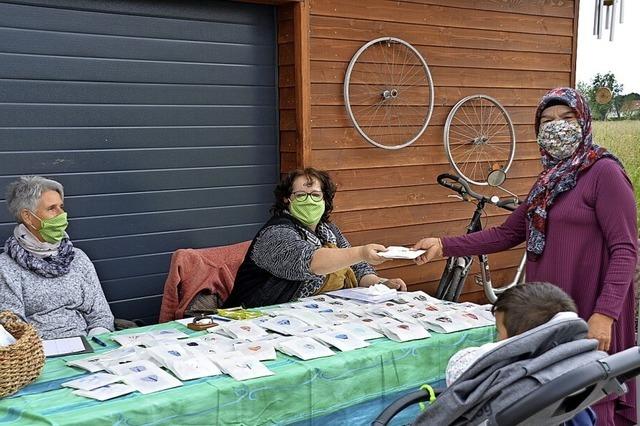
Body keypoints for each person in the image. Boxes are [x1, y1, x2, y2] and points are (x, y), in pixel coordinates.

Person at [414, 87, 637, 425]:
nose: (556, 126)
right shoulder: (548, 180)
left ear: (584, 121)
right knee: (550, 398)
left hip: (589, 306)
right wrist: (444, 246)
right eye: (546, 121)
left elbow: (625, 250)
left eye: (566, 118)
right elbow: (507, 233)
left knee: (588, 396)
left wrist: (605, 314)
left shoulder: (604, 173)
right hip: (548, 310)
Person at [224, 168, 406, 308]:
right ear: (287, 199)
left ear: (325, 200)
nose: (309, 200)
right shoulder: (275, 234)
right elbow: (309, 261)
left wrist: (380, 284)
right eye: (301, 195)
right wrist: (361, 252)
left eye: (316, 195)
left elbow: (356, 267)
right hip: (253, 317)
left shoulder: (329, 230)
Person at [445, 282, 596, 425]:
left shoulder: (509, 380)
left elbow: (459, 371)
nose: (497, 339)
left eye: (499, 332)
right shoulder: (573, 373)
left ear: (519, 342)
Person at [0, 176, 114, 339]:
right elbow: (12, 327)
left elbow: (101, 315)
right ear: (28, 216)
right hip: (37, 353)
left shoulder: (78, 258)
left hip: (87, 345)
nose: (62, 214)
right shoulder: (6, 267)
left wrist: (95, 342)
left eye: (61, 207)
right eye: (52, 208)